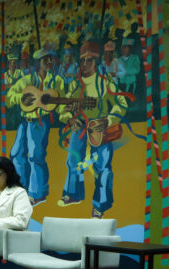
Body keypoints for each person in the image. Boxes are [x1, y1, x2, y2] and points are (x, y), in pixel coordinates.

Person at [57, 41, 128, 218]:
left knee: (102, 166)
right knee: (72, 160)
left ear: (96, 61)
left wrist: (108, 120)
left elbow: (121, 103)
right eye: (82, 60)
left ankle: (100, 204)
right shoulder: (75, 84)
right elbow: (63, 107)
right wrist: (69, 119)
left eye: (89, 60)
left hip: (99, 127)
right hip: (80, 126)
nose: (85, 63)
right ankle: (73, 193)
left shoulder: (105, 82)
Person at [6, 47, 65, 207]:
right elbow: (9, 98)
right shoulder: (27, 80)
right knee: (16, 154)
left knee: (35, 156)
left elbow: (60, 104)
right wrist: (23, 98)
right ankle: (20, 189)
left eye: (50, 59)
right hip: (24, 122)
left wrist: (67, 111)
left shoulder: (56, 82)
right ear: (38, 62)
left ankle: (37, 193)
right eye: (45, 59)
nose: (49, 62)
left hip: (39, 122)